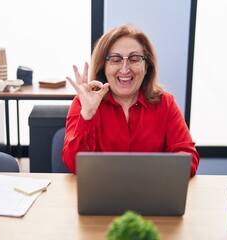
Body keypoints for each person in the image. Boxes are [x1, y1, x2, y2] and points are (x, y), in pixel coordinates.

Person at [62, 24, 199, 177]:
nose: (125, 68)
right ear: (103, 67)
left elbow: (189, 159)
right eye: (115, 59)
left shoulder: (165, 103)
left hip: (152, 194)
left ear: (146, 66)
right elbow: (73, 164)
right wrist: (87, 115)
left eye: (134, 59)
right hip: (102, 196)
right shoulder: (83, 103)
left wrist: (149, 173)